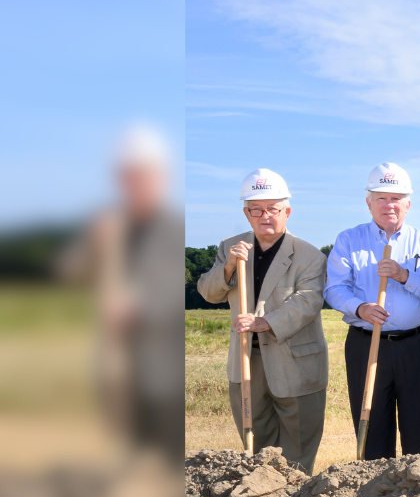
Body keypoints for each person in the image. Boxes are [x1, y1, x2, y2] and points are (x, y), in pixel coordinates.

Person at [60, 125, 187, 455]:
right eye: (129, 177)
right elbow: (67, 273)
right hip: (114, 359)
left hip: (160, 363)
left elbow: (174, 290)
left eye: (144, 176)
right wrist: (94, 244)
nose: (136, 185)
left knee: (160, 441)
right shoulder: (107, 224)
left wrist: (138, 306)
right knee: (121, 440)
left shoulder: (174, 228)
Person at [193, 168, 329, 473]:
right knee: (256, 445)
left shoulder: (310, 256)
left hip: (295, 362)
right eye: (256, 209)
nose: (264, 215)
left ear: (287, 211)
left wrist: (264, 322)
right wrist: (228, 267)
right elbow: (207, 292)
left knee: (297, 448)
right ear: (246, 213)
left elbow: (308, 301)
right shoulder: (231, 247)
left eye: (273, 209)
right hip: (246, 360)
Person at [324, 162, 420, 459]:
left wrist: (405, 276)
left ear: (408, 203)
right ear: (369, 203)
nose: (389, 205)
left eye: (396, 198)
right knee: (373, 434)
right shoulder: (349, 240)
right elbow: (334, 289)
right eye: (381, 198)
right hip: (367, 343)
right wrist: (361, 308)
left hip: (417, 346)